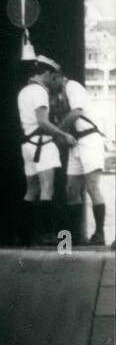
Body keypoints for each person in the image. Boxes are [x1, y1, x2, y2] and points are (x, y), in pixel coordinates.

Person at [17, 57, 74, 242]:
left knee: (31, 190)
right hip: (42, 144)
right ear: (47, 73)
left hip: (28, 144)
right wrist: (63, 134)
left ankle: (24, 235)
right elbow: (42, 121)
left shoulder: (24, 92)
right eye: (53, 76)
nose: (53, 80)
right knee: (47, 189)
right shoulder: (40, 92)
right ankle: (46, 234)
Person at [51, 68, 107, 245]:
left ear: (57, 77)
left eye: (52, 82)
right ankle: (74, 235)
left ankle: (99, 234)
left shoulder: (73, 87)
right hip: (75, 143)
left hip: (90, 139)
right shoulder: (60, 94)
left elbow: (76, 112)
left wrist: (58, 131)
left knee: (92, 187)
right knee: (71, 190)